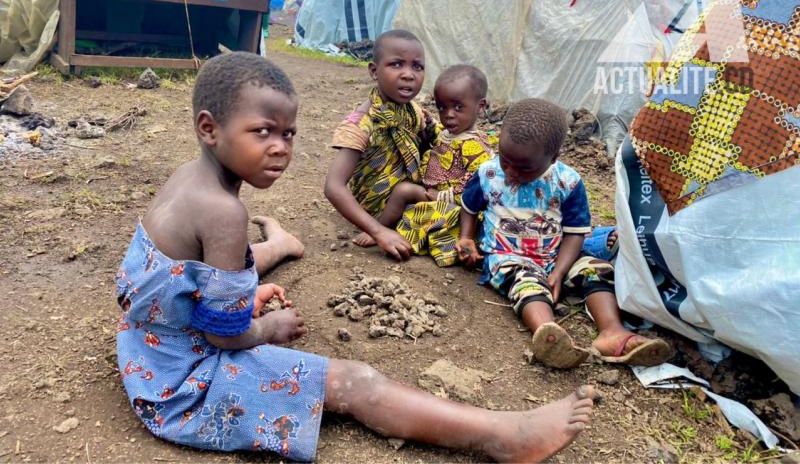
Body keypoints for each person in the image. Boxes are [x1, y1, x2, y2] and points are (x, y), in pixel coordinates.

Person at [115, 51, 596, 462]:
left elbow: (172, 278)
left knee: (245, 273)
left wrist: (238, 299)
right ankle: (503, 438)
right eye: (263, 131)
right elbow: (225, 337)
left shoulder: (187, 181)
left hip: (145, 344)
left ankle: (280, 244)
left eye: (289, 133)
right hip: (179, 384)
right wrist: (263, 329)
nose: (281, 148)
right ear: (209, 128)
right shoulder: (223, 214)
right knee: (354, 382)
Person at [457, 98, 673, 369]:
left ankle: (612, 331)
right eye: (505, 160)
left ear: (553, 158)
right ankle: (548, 334)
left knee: (597, 268)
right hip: (508, 256)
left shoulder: (567, 183)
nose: (510, 172)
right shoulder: (488, 173)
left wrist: (559, 271)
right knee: (527, 283)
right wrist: (466, 237)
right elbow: (469, 207)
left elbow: (574, 233)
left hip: (556, 255)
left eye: (524, 168)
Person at [353, 64, 495, 267]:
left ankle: (378, 229)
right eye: (442, 107)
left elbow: (476, 186)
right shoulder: (450, 133)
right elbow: (439, 144)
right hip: (435, 190)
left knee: (404, 191)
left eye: (458, 107)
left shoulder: (475, 146)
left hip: (459, 204)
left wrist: (443, 196)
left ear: (480, 107)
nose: (449, 115)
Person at [324, 29, 435, 260]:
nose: (408, 75)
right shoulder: (362, 124)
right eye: (396, 64)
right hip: (374, 209)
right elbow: (333, 187)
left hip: (407, 193)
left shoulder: (412, 112)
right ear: (374, 71)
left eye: (417, 67)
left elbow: (425, 147)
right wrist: (378, 230)